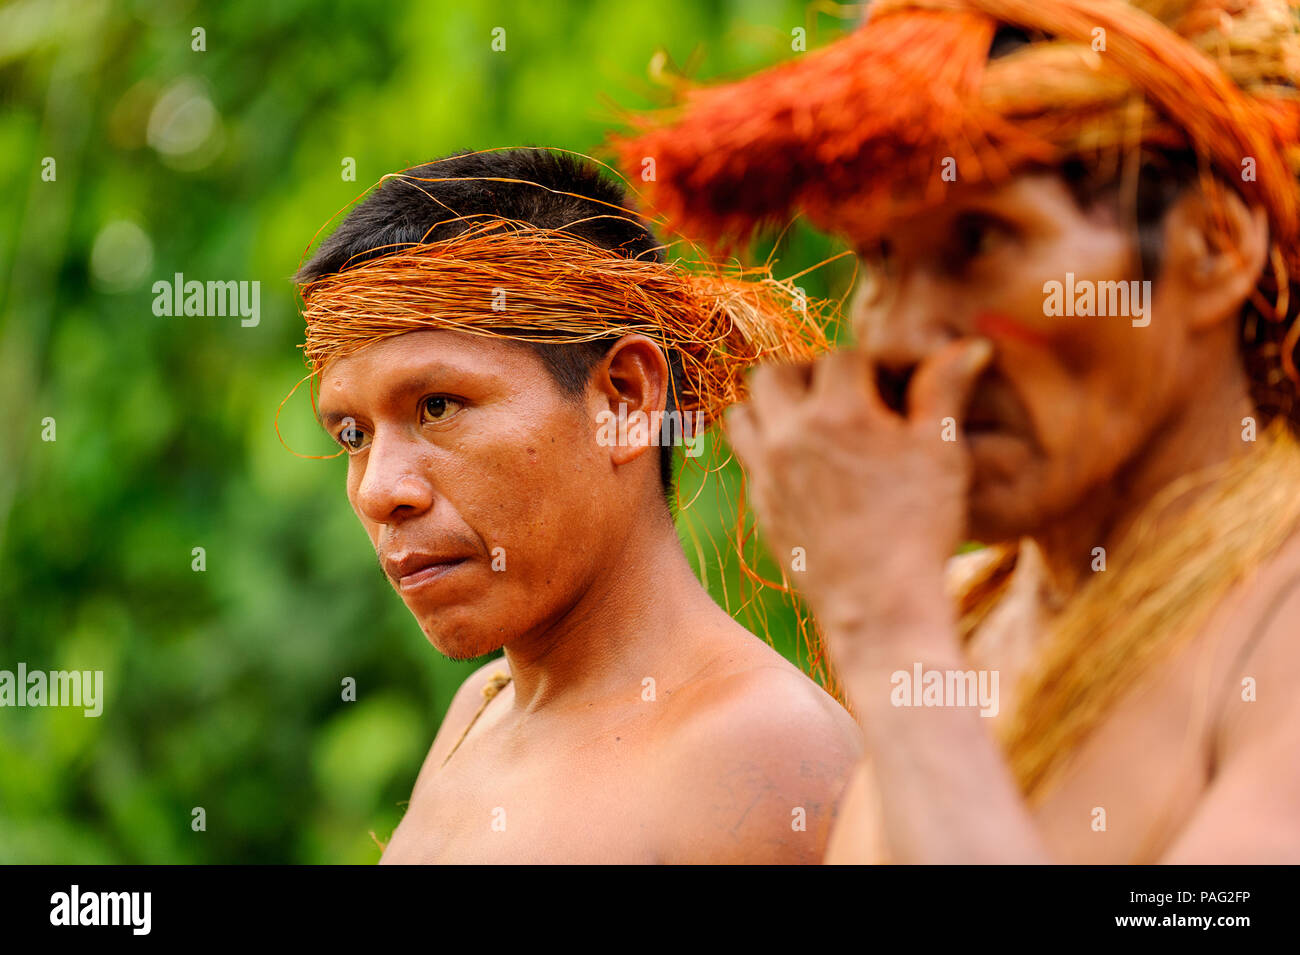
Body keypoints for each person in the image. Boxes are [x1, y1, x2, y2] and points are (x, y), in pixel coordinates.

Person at [618, 0, 1300, 862]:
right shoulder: (965, 616)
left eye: (978, 239)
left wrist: (883, 618)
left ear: (1211, 246)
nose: (899, 336)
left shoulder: (1280, 630)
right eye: (881, 259)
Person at [292, 148, 861, 863]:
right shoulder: (483, 708)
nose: (380, 489)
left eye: (438, 406)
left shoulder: (755, 745)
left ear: (623, 399)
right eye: (352, 434)